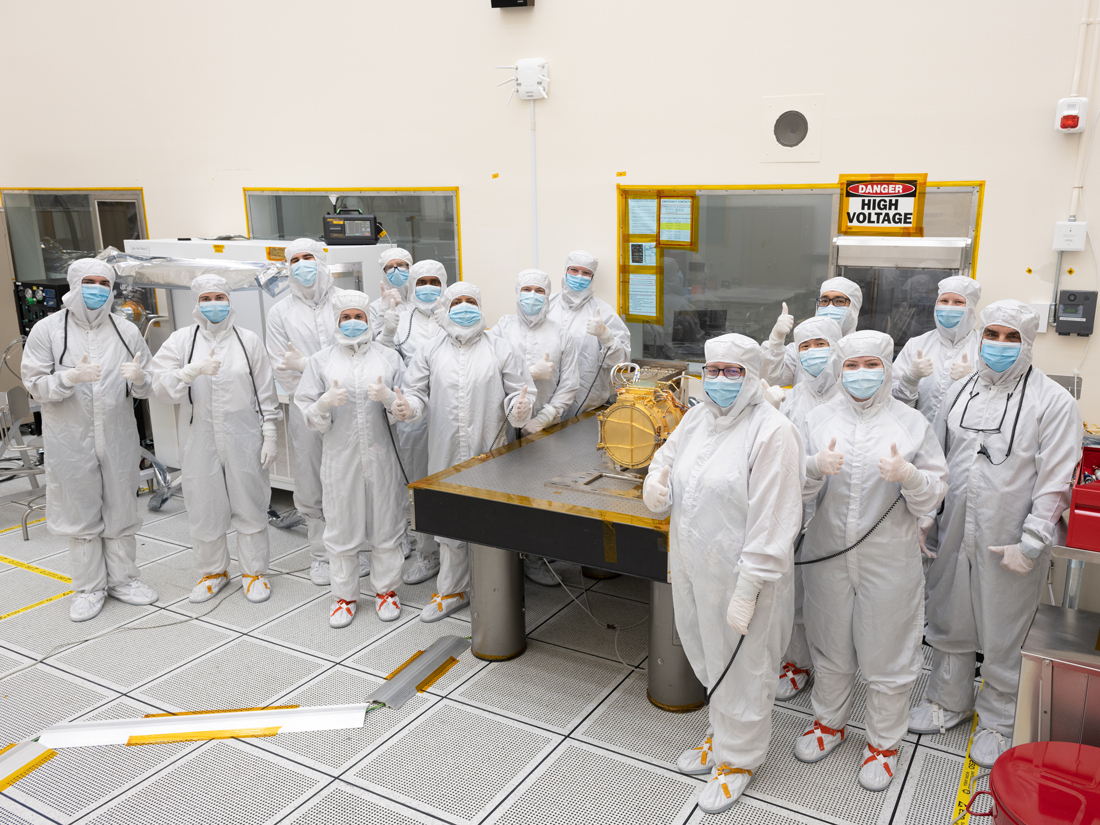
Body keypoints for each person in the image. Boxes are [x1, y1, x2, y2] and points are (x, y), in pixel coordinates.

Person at [911, 300, 1081, 768]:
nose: (1000, 345)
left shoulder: (1054, 402)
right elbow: (938, 459)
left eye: (1011, 338)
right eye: (993, 334)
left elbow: (1056, 478)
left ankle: (998, 721)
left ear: (1027, 343)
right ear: (980, 335)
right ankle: (949, 703)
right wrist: (929, 513)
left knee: (1003, 630)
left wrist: (1032, 541)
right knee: (950, 617)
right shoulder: (960, 390)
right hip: (954, 532)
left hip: (1009, 536)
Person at [642, 334, 804, 814]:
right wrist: (657, 482)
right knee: (709, 659)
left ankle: (739, 761)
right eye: (714, 371)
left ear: (753, 377)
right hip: (694, 567)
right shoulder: (698, 417)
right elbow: (668, 457)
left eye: (734, 372)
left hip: (742, 580)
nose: (722, 380)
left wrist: (749, 587)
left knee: (745, 669)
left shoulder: (772, 432)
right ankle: (722, 735)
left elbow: (774, 520)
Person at [794, 330, 947, 792]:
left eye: (871, 365)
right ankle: (829, 723)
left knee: (889, 650)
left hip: (890, 555)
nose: (860, 374)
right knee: (829, 640)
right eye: (852, 365)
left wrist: (910, 476)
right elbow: (795, 495)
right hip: (827, 552)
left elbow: (932, 498)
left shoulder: (911, 423)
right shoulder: (818, 419)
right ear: (839, 369)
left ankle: (883, 743)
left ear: (887, 369)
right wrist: (811, 468)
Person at [21, 259, 159, 622]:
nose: (97, 288)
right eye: (89, 281)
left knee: (121, 506)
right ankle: (88, 588)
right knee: (80, 511)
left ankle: (124, 580)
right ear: (74, 283)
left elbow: (145, 386)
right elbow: (34, 384)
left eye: (103, 282)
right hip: (70, 437)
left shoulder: (126, 331)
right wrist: (68, 379)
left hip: (116, 435)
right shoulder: (47, 330)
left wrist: (142, 378)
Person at [398, 283, 533, 621]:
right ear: (446, 308)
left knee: (492, 518)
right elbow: (416, 393)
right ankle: (452, 590)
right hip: (444, 449)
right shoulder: (431, 349)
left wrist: (520, 410)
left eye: (470, 301)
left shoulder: (501, 348)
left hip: (491, 450)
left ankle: (497, 586)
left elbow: (519, 392)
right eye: (456, 302)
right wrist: (406, 408)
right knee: (450, 518)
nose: (463, 307)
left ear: (480, 305)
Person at [150, 275, 281, 605]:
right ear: (197, 304)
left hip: (244, 435)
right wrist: (189, 372)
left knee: (249, 503)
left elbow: (266, 393)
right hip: (199, 437)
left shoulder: (248, 340)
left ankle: (253, 572)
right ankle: (213, 572)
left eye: (219, 296)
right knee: (204, 505)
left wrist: (269, 436)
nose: (213, 303)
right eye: (206, 298)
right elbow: (160, 386)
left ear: (229, 300)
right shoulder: (182, 341)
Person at [295, 291, 408, 628]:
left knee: (386, 524)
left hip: (382, 456)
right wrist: (323, 405)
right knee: (341, 526)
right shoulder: (320, 361)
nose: (353, 322)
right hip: (340, 457)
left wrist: (391, 400)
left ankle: (387, 591)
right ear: (337, 320)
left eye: (359, 315)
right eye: (346, 317)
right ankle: (344, 596)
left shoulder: (389, 358)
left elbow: (406, 405)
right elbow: (307, 410)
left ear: (369, 319)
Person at [266, 238, 367, 586]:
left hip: (353, 406)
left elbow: (361, 350)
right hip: (305, 407)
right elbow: (283, 368)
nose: (302, 264)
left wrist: (310, 365)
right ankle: (321, 556)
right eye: (294, 259)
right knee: (311, 482)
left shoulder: (345, 303)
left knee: (354, 475)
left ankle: (357, 549)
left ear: (322, 260)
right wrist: (316, 398)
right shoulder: (280, 313)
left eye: (308, 257)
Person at [488, 268, 581, 586]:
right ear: (517, 292)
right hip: (503, 424)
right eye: (526, 289)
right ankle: (503, 558)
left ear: (547, 295)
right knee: (504, 491)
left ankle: (537, 558)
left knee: (542, 494)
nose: (532, 296)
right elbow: (492, 375)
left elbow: (570, 384)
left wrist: (544, 418)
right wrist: (530, 372)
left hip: (543, 427)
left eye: (539, 291)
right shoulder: (501, 328)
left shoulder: (561, 334)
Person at [770, 316, 844, 700]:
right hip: (795, 507)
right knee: (794, 588)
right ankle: (796, 662)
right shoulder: (793, 397)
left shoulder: (851, 396)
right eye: (805, 346)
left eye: (821, 344)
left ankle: (833, 672)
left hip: (841, 511)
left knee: (832, 596)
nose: (813, 353)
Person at [374, 259, 446, 585]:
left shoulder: (455, 314)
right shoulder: (401, 319)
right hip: (412, 415)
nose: (428, 287)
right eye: (422, 281)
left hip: (452, 413)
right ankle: (427, 553)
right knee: (418, 486)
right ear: (413, 286)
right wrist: (386, 330)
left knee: (457, 484)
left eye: (434, 281)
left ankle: (463, 554)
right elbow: (378, 355)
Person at [546, 250, 630, 420]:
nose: (579, 276)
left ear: (592, 277)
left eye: (586, 273)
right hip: (546, 401)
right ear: (565, 271)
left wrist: (606, 337)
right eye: (574, 270)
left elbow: (620, 364)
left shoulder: (603, 311)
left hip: (586, 406)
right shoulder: (547, 306)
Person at [892, 276, 982, 423]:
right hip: (919, 435)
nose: (949, 307)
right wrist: (909, 381)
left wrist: (973, 383)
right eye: (944, 301)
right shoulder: (916, 344)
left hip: (963, 439)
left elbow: (994, 405)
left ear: (971, 307)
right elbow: (894, 403)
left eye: (958, 302)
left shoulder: (983, 347)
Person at [763, 277, 864, 387]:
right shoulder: (801, 349)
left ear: (853, 308)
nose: (830, 307)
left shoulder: (862, 352)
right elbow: (770, 380)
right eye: (824, 301)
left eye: (839, 301)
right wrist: (776, 340)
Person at [370, 247, 415, 334]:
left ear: (410, 267)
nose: (396, 270)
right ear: (384, 273)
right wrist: (383, 312)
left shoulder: (423, 301)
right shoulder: (375, 307)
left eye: (401, 265)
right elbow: (372, 340)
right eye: (390, 267)